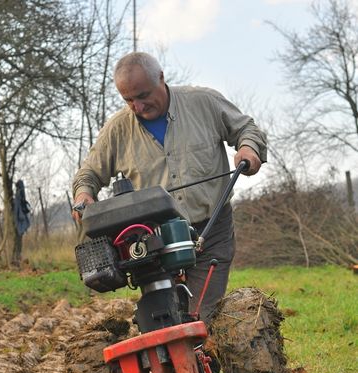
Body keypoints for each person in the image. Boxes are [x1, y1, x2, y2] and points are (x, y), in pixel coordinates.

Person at [72, 52, 267, 322]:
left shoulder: (203, 103)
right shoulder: (118, 129)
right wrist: (84, 194)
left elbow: (246, 128)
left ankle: (203, 356)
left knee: (200, 318)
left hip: (210, 231)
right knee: (163, 317)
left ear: (161, 78)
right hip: (155, 240)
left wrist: (248, 148)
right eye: (128, 100)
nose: (137, 107)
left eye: (142, 95)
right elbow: (89, 173)